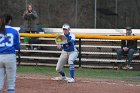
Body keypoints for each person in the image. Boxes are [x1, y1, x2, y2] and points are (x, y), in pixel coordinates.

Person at [0, 14, 20, 93]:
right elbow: (17, 46)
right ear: (10, 21)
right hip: (10, 57)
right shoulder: (14, 31)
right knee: (11, 84)